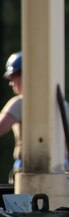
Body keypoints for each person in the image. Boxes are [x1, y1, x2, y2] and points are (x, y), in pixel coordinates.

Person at [0, 52, 23, 183]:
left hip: (27, 173)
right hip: (63, 174)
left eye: (13, 76)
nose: (12, 83)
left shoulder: (19, 102)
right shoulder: (62, 104)